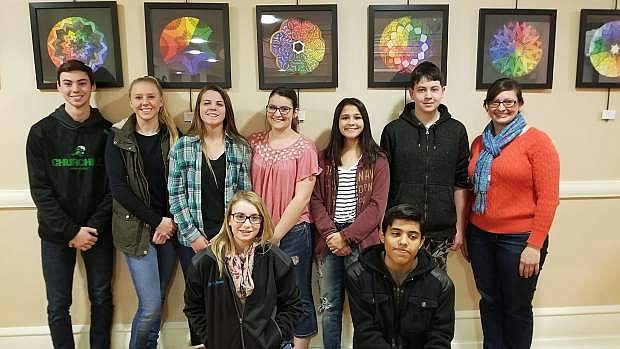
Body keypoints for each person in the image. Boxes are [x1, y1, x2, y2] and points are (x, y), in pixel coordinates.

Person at [466, 78, 560, 349]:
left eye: (509, 101)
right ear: (487, 106)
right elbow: (472, 191)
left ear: (519, 104)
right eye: (495, 102)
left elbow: (549, 198)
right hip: (481, 236)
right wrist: (467, 231)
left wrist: (534, 245)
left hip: (520, 241)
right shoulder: (479, 144)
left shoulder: (537, 142)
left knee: (516, 308)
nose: (502, 107)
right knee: (489, 302)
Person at [26, 59, 113, 349]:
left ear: (92, 87)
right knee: (58, 303)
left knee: (101, 298)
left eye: (82, 83)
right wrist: (70, 232)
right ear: (59, 88)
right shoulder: (40, 132)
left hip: (97, 233)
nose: (75, 89)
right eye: (68, 83)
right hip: (55, 234)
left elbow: (114, 188)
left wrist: (91, 228)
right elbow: (41, 191)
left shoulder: (109, 133)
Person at [168, 85, 252, 346]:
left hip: (229, 238)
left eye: (218, 103)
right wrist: (193, 236)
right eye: (207, 103)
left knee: (232, 298)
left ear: (226, 110)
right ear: (198, 109)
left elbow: (245, 195)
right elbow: (175, 194)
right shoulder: (183, 147)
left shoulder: (240, 147)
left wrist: (233, 235)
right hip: (192, 240)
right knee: (198, 300)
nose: (212, 108)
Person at [105, 76, 183, 348]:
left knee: (159, 299)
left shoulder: (174, 137)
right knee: (150, 305)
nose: (145, 102)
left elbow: (183, 184)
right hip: (135, 230)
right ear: (131, 101)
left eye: (151, 97)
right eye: (138, 97)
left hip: (170, 229)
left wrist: (169, 222)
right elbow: (119, 189)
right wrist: (157, 222)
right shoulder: (117, 138)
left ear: (161, 101)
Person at [310, 97, 389, 349]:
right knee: (330, 306)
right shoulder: (324, 158)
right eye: (345, 117)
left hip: (363, 241)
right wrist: (333, 235)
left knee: (363, 307)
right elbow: (315, 200)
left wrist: (347, 237)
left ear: (364, 121)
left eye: (357, 117)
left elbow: (378, 207)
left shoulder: (378, 159)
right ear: (337, 122)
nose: (351, 122)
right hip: (328, 239)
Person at [184, 190, 303, 349]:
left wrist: (276, 334)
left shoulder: (277, 260)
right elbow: (193, 308)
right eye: (240, 216)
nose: (247, 224)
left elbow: (293, 306)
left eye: (254, 218)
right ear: (229, 220)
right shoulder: (205, 262)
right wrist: (210, 338)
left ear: (261, 222)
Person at [380, 61, 469, 270]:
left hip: (441, 230)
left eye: (434, 89)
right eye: (421, 90)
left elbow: (460, 183)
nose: (428, 96)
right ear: (412, 93)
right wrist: (383, 226)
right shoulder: (393, 131)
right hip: (402, 230)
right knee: (401, 287)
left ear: (443, 92)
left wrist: (459, 228)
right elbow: (384, 184)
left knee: (435, 291)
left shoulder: (456, 131)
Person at [249, 87, 320, 349]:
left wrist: (275, 234)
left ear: (295, 113)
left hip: (292, 232)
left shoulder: (305, 147)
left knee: (296, 293)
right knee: (259, 294)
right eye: (273, 108)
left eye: (284, 109)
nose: (278, 113)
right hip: (254, 232)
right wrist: (260, 232)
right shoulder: (253, 141)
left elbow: (302, 198)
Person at [346, 204, 455, 349]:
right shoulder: (358, 275)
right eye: (396, 234)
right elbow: (365, 333)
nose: (403, 242)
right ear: (382, 236)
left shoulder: (441, 285)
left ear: (421, 242)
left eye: (412, 236)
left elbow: (440, 339)